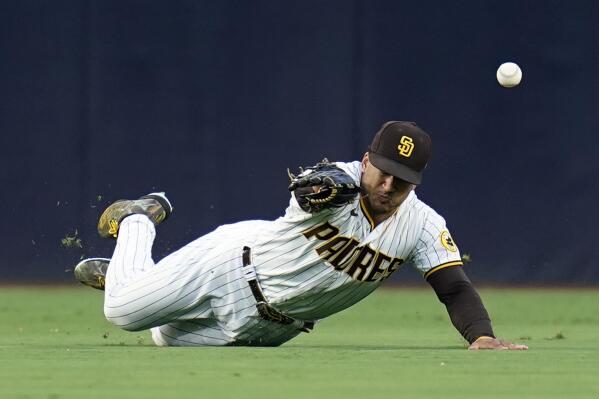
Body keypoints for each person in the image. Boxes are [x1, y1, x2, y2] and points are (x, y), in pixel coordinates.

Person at [74, 121, 527, 350]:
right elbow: (311, 188)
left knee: (163, 339)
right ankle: (138, 220)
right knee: (122, 312)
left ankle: (126, 273)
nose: (389, 187)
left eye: (402, 181)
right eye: (384, 173)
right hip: (229, 266)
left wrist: (481, 337)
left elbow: (454, 287)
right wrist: (322, 185)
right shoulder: (340, 181)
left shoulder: (423, 225)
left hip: (274, 328)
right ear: (367, 161)